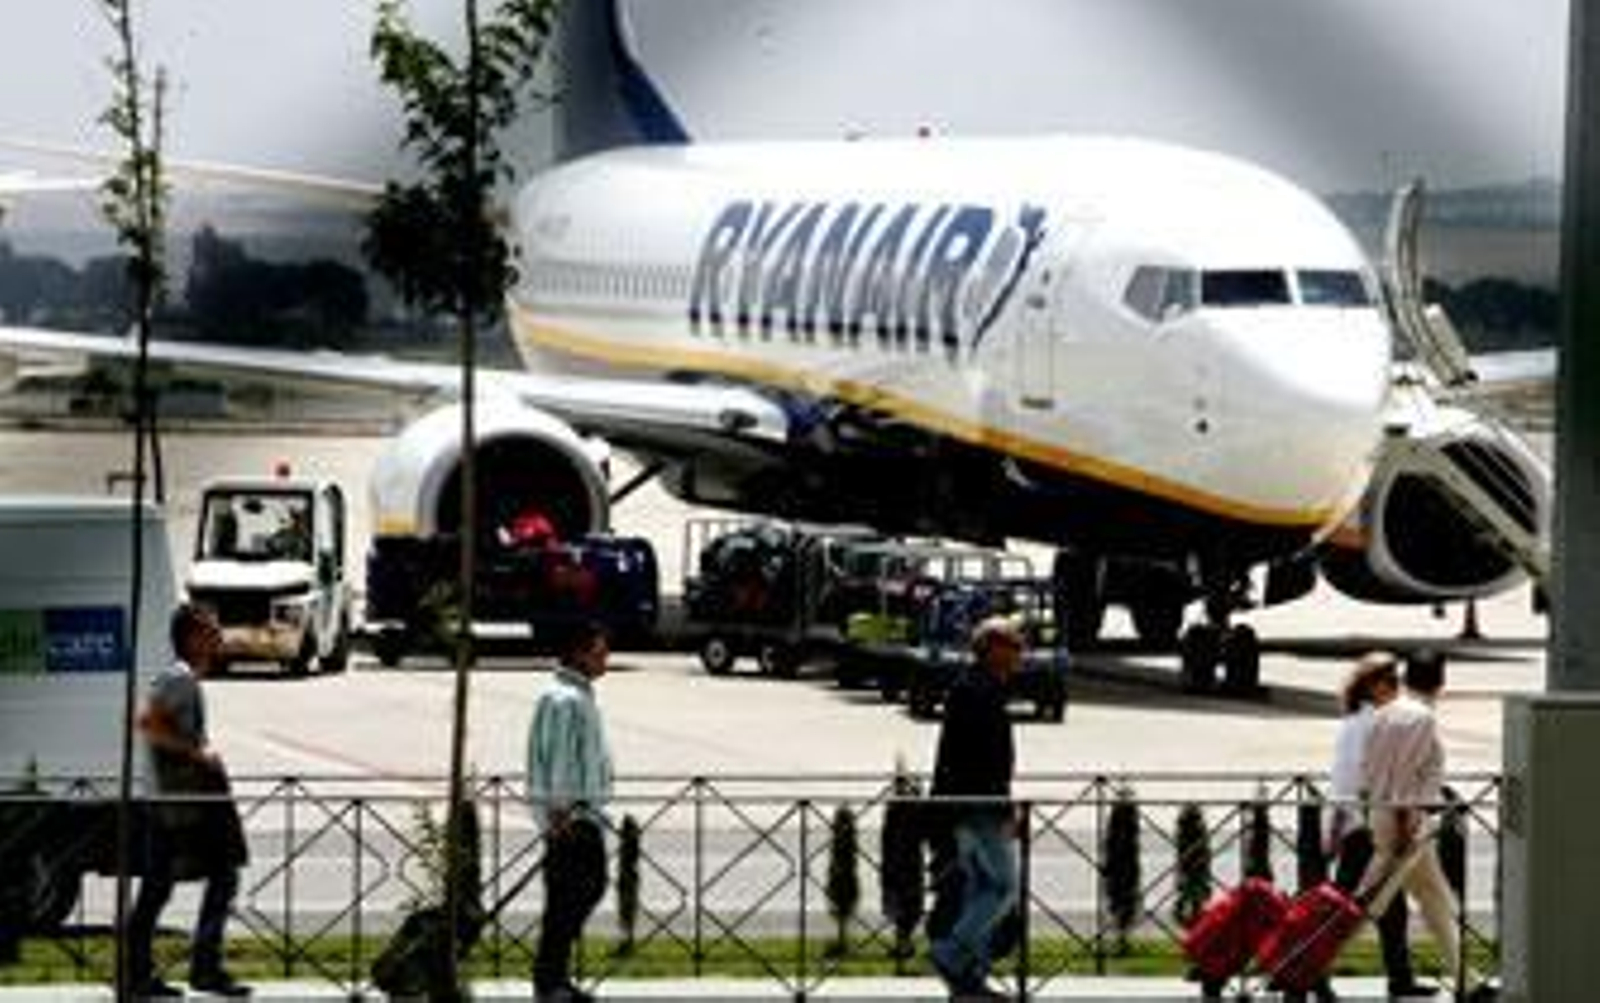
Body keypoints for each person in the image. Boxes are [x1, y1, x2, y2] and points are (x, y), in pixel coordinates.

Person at [128, 604, 250, 998]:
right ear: (192, 638)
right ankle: (201, 969)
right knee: (221, 876)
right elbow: (147, 723)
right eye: (211, 631)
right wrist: (199, 754)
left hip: (171, 800)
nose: (218, 637)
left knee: (159, 888)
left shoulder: (181, 678)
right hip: (178, 804)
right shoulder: (179, 678)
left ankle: (140, 974)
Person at [1358, 649, 1485, 1000]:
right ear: (1441, 681)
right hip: (1406, 824)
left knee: (1436, 901)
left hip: (1392, 817)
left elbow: (1367, 773)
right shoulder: (1421, 719)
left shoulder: (1383, 713)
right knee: (1367, 906)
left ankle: (1467, 982)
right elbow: (1405, 780)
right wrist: (1403, 829)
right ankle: (1300, 967)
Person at [1321, 652, 1429, 1000]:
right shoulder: (1378, 724)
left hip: (1354, 823)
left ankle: (1399, 977)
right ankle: (1311, 973)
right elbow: (1387, 782)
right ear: (1373, 686)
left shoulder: (1354, 722)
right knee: (1346, 912)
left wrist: (1334, 827)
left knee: (1384, 907)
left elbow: (1343, 780)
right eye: (1391, 681)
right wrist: (1401, 824)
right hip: (1369, 827)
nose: (1398, 688)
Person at [928, 616, 1022, 1000]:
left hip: (966, 804)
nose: (1019, 653)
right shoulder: (978, 691)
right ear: (993, 649)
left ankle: (970, 979)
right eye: (1013, 645)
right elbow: (984, 761)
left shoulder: (976, 686)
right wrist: (1005, 809)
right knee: (1002, 888)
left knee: (979, 889)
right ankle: (950, 954)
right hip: (979, 805)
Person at [526, 622, 614, 1003]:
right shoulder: (566, 700)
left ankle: (553, 979)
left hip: (581, 814)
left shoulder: (573, 695)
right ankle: (550, 982)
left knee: (571, 898)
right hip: (572, 818)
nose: (605, 659)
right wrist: (559, 810)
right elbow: (559, 757)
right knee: (574, 896)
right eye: (599, 652)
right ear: (579, 653)